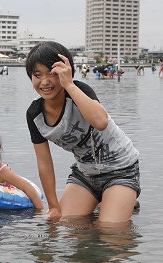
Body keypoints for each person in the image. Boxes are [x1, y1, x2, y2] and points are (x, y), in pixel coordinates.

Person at [25, 41, 140, 223]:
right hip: (85, 175)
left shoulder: (79, 91)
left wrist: (69, 84)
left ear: (66, 71)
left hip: (121, 169)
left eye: (52, 73)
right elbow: (44, 162)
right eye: (37, 75)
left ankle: (121, 197)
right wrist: (54, 206)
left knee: (110, 231)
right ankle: (107, 200)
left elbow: (100, 122)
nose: (45, 82)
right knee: (64, 222)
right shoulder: (35, 115)